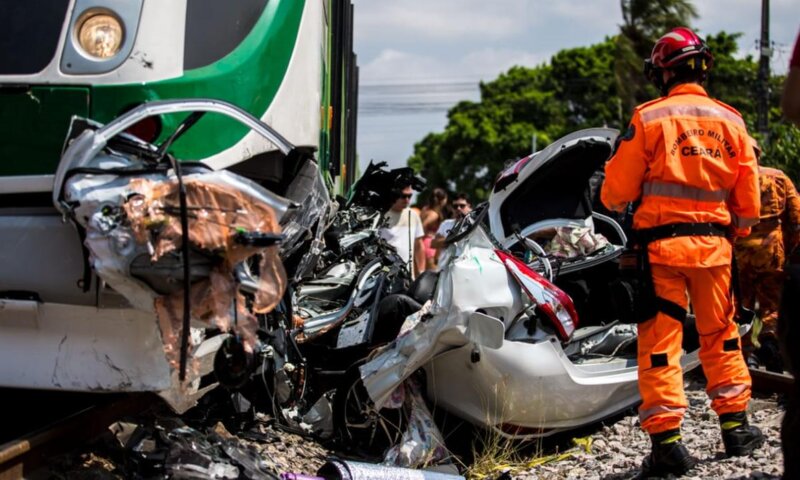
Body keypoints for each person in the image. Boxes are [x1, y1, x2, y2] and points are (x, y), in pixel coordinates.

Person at [600, 27, 763, 478]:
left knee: (660, 345)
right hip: (715, 249)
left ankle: (668, 444)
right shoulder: (731, 120)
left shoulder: (650, 118)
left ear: (662, 73)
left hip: (662, 250)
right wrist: (735, 223)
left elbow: (615, 192)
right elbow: (748, 201)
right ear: (703, 67)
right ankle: (737, 428)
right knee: (722, 335)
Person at [734, 138, 800, 373]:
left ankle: (746, 355)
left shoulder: (730, 178)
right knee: (772, 304)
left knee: (741, 305)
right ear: (759, 154)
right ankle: (770, 346)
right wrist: (791, 249)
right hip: (771, 251)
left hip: (739, 251)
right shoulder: (778, 177)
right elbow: (796, 218)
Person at [778, 28, 800, 480]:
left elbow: (792, 104)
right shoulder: (779, 179)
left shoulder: (646, 117)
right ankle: (737, 426)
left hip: (746, 257)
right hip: (773, 254)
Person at [380, 181, 425, 278]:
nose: (407, 200)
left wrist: (421, 272)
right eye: (403, 196)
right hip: (385, 273)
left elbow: (419, 245)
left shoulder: (413, 215)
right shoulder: (381, 215)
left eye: (410, 196)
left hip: (406, 275)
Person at [420, 188, 449, 271]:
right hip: (429, 245)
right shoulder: (434, 215)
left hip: (423, 244)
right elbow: (422, 227)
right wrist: (430, 234)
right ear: (442, 200)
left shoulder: (426, 209)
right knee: (432, 274)